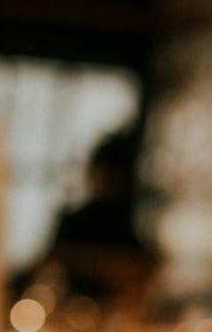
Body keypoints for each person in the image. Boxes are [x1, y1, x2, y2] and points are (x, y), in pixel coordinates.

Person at [46, 126, 151, 304]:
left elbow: (140, 269)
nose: (106, 182)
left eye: (112, 176)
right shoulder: (73, 220)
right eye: (101, 173)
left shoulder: (129, 224)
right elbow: (53, 263)